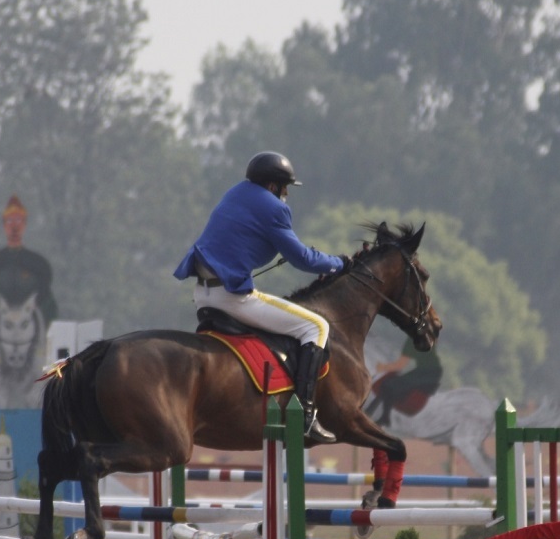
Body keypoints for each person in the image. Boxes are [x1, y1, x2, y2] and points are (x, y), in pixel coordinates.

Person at [174, 152, 349, 443]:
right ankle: (305, 416)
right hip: (230, 297)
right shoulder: (272, 207)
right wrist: (339, 263)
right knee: (316, 327)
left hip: (203, 294)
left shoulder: (236, 194)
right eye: (285, 187)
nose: (287, 193)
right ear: (272, 186)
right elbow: (302, 259)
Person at [0, 195, 59, 362]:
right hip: (0, 298)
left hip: (31, 299)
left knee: (51, 306)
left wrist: (37, 298)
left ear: (24, 225)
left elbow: (46, 277)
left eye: (18, 221)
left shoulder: (35, 260)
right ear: (4, 226)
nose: (14, 227)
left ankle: (49, 346)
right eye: (9, 221)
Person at [368, 339, 443, 425]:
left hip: (427, 372)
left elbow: (400, 365)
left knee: (389, 384)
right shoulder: (415, 341)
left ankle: (382, 415)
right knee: (388, 383)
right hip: (424, 371)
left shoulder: (417, 341)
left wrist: (383, 367)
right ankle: (383, 416)